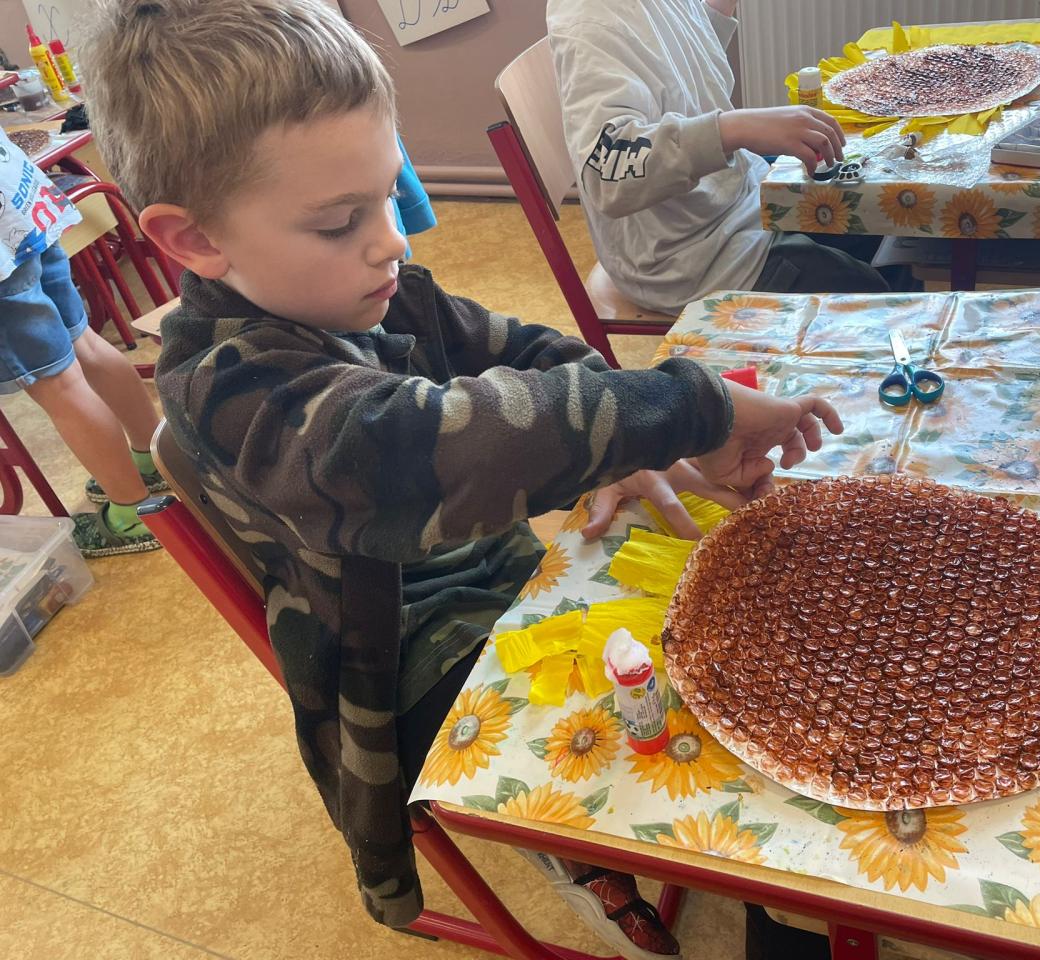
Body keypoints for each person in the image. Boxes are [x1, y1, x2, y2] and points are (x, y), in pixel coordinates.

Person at [79, 2, 842, 957]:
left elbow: (527, 351)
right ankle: (607, 865)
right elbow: (427, 450)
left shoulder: (371, 285)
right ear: (195, 241)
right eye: (341, 221)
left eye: (390, 194)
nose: (392, 241)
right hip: (400, 653)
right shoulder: (229, 387)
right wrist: (695, 407)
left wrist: (633, 440)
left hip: (494, 565)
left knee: (742, 635)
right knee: (703, 714)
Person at [548, 0, 902, 318]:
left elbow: (676, 72)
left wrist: (718, 11)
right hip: (690, 260)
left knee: (890, 230)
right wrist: (736, 128)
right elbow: (607, 176)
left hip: (735, 204)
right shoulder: (588, 21)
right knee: (883, 304)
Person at [0, 127, 165, 558]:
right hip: (21, 205)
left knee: (57, 383)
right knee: (84, 343)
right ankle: (155, 459)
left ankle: (132, 513)